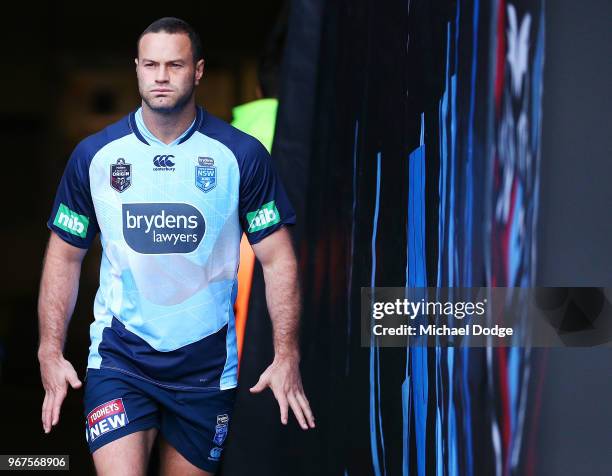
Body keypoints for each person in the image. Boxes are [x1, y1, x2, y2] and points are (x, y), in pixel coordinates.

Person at [37, 17, 314, 476]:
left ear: (198, 71)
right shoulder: (95, 156)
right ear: (137, 69)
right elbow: (66, 253)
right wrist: (49, 350)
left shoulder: (240, 155)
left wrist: (287, 355)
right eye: (151, 64)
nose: (161, 76)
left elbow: (278, 257)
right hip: (120, 360)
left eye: (174, 64)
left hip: (205, 372)